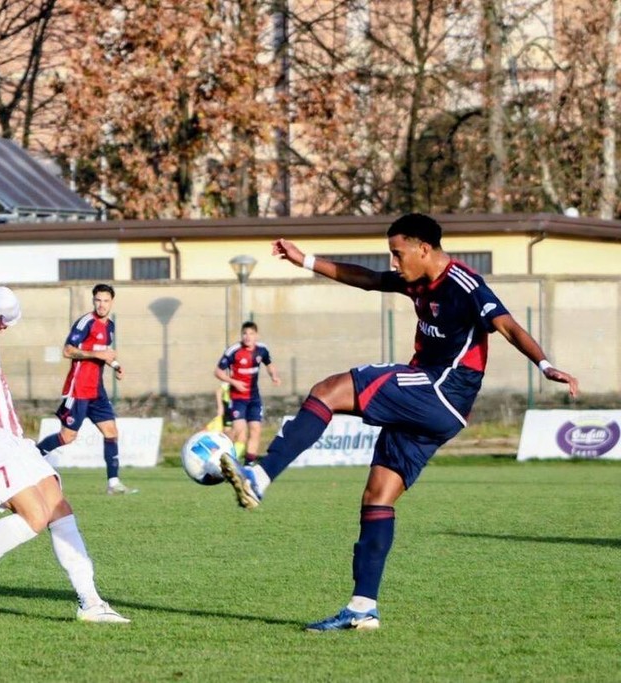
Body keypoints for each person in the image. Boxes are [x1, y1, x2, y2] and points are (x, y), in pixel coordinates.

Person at [219, 214, 579, 631]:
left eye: (397, 252)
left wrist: (546, 365)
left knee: (328, 390)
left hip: (438, 389)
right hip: (437, 408)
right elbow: (369, 279)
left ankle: (261, 475)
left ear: (424, 248)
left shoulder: (465, 284)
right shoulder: (416, 279)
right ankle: (362, 608)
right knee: (378, 497)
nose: (393, 261)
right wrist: (306, 260)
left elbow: (507, 326)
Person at [0, 258, 129, 624]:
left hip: (4, 436)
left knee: (58, 506)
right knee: (35, 516)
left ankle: (91, 603)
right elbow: (6, 299)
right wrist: (9, 318)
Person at [36, 283, 136, 495]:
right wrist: (98, 355)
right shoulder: (85, 323)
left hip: (96, 390)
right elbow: (68, 350)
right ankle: (30, 458)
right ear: (93, 301)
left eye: (106, 301)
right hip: (78, 389)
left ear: (112, 302)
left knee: (111, 432)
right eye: (98, 300)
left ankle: (113, 484)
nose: (102, 305)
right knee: (67, 437)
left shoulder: (110, 327)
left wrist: (115, 365)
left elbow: (104, 353)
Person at [214, 321, 280, 464]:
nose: (247, 336)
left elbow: (269, 364)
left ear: (256, 335)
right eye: (245, 333)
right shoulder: (233, 351)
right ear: (241, 335)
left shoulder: (262, 350)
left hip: (254, 398)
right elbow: (218, 372)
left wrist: (274, 376)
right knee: (239, 430)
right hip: (237, 398)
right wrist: (234, 382)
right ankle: (221, 454)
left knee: (255, 429)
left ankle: (249, 464)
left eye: (251, 333)